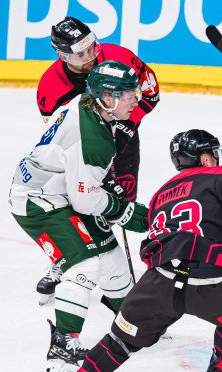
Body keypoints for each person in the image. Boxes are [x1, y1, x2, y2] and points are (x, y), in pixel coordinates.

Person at [54, 129, 222, 372]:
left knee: (120, 340)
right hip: (210, 284)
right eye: (212, 154)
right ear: (204, 158)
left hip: (158, 284)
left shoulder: (161, 195)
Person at [9, 61, 150, 372]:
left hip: (60, 190)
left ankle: (129, 319)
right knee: (83, 264)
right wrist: (127, 211)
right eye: (129, 94)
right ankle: (62, 350)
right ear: (107, 98)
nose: (136, 99)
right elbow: (86, 200)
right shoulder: (94, 137)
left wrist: (101, 185)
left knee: (111, 253)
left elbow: (79, 175)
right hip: (39, 201)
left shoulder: (84, 105)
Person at [34, 16, 160, 304]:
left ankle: (116, 278)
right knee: (75, 202)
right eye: (82, 53)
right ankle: (67, 257)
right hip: (80, 150)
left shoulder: (118, 57)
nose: (91, 55)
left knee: (118, 203)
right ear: (62, 55)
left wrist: (127, 126)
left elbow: (150, 93)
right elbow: (56, 132)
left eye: (92, 47)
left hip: (123, 143)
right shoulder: (50, 85)